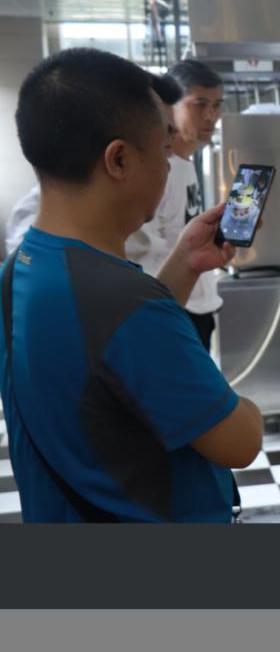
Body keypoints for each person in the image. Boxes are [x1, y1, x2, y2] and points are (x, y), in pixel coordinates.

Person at [0, 48, 263, 522]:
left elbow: (103, 359)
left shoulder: (20, 268)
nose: (168, 165)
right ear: (119, 159)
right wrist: (248, 408)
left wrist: (184, 262)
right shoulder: (127, 305)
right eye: (163, 149)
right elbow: (241, 442)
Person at [162, 59, 226, 349]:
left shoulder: (185, 164)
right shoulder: (158, 170)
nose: (211, 116)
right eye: (199, 105)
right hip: (172, 308)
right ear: (169, 107)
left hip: (198, 304)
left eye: (217, 105)